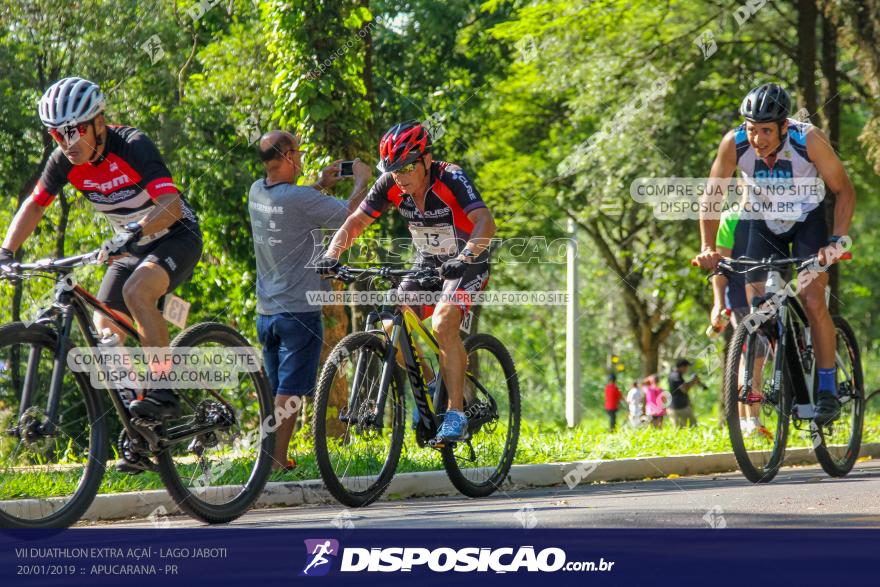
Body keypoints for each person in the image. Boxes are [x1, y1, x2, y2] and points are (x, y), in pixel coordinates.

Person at [0, 78, 202, 462]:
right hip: (131, 244)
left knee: (138, 292)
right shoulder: (63, 161)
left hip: (174, 234)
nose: (66, 142)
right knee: (105, 329)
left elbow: (171, 205)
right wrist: (6, 250)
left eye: (74, 131)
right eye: (57, 134)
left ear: (99, 122)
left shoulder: (133, 145)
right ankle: (139, 422)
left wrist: (136, 231)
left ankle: (162, 383)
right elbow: (36, 204)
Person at [315, 120, 496, 445]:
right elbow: (356, 222)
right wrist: (332, 254)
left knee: (443, 324)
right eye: (394, 169)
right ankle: (429, 386)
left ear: (426, 159)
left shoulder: (450, 176)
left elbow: (486, 221)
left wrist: (466, 256)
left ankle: (456, 412)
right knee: (388, 326)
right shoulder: (390, 185)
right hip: (428, 262)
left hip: (469, 259)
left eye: (407, 167)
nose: (400, 176)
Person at [695, 83, 856, 425]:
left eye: (766, 130)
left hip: (807, 222)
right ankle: (781, 372)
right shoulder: (734, 144)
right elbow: (711, 198)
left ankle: (826, 390)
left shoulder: (809, 139)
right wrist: (708, 248)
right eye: (752, 130)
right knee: (757, 312)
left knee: (813, 301)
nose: (758, 139)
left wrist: (837, 240)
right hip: (762, 223)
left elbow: (844, 191)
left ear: (784, 125)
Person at [249, 130, 371, 471]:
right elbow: (351, 215)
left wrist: (319, 184)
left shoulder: (257, 191)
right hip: (299, 310)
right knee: (290, 390)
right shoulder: (300, 200)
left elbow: (293, 206)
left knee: (275, 387)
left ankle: (268, 456)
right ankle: (274, 461)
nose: (301, 158)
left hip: (266, 312)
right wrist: (360, 180)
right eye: (298, 153)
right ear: (287, 157)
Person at [713, 209, 772, 439]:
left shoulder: (776, 210)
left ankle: (747, 422)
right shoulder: (731, 218)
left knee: (753, 359)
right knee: (753, 358)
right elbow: (721, 267)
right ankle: (751, 422)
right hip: (739, 299)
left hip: (770, 295)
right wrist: (717, 304)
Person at [667, 359, 700, 427]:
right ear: (682, 367)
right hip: (679, 408)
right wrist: (693, 382)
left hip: (678, 406)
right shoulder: (676, 376)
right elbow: (684, 389)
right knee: (692, 427)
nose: (687, 369)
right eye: (686, 367)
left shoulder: (674, 375)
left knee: (683, 429)